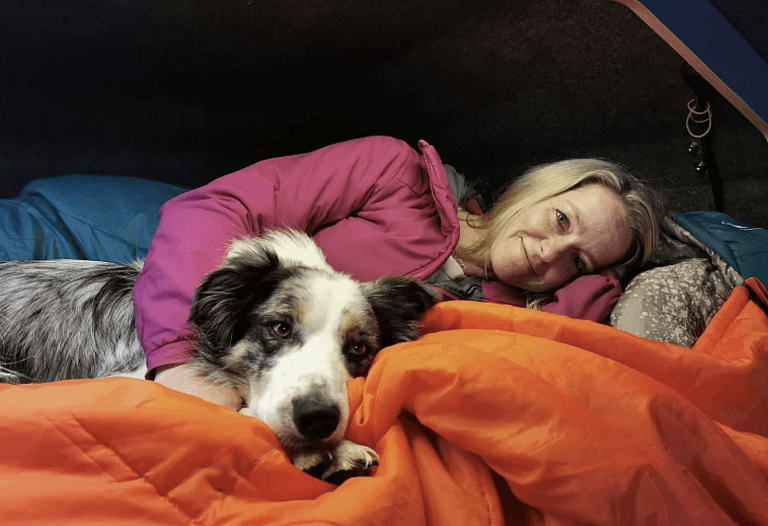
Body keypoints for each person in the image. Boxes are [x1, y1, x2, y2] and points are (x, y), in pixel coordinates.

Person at [133, 136, 664, 410]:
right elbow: (210, 209)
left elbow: (582, 355)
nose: (549, 255)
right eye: (561, 219)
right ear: (537, 189)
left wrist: (603, 280)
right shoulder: (394, 173)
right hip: (194, 346)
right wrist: (180, 359)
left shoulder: (503, 319)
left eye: (577, 261)